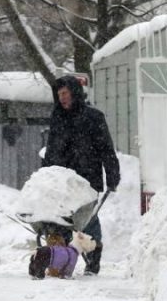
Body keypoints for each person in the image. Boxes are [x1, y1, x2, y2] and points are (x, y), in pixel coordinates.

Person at [43, 76, 120, 275]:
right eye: (59, 94)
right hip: (62, 179)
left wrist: (112, 173)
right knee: (61, 220)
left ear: (75, 92)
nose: (62, 98)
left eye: (65, 93)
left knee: (87, 220)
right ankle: (60, 260)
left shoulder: (93, 117)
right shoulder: (57, 117)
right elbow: (51, 149)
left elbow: (106, 149)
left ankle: (93, 259)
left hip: (87, 178)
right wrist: (45, 173)